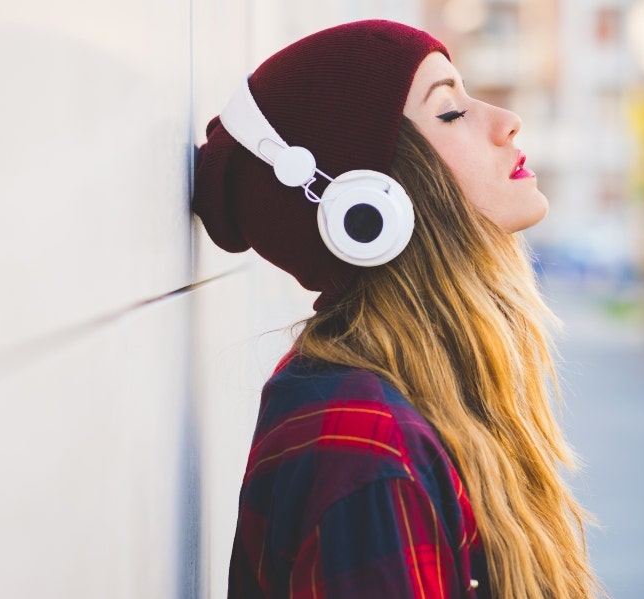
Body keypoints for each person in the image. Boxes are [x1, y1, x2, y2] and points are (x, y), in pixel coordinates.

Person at [193, 20, 600, 599]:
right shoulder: (367, 450)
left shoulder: (416, 399)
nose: (506, 121)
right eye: (451, 112)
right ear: (362, 208)